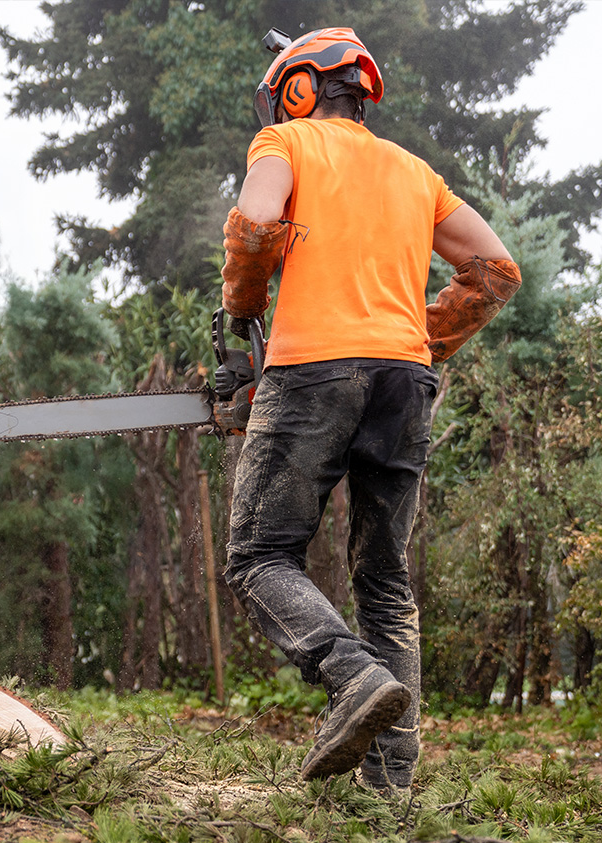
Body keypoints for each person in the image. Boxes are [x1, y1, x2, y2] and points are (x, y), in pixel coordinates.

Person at [219, 26, 521, 793]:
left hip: (313, 370)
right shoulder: (415, 171)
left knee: (259, 555)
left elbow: (254, 226)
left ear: (295, 88)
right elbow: (494, 270)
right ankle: (388, 788)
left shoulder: (284, 143)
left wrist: (244, 308)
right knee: (383, 581)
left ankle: (346, 672)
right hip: (404, 380)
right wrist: (420, 335)